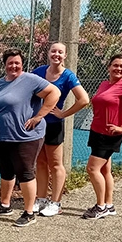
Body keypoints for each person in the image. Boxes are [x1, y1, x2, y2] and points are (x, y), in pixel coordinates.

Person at [0, 49, 60, 227]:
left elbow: (54, 93)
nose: (14, 66)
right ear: (4, 64)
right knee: (6, 171)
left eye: (17, 63)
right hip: (3, 136)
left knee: (25, 172)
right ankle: (5, 204)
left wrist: (39, 116)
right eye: (10, 63)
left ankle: (29, 212)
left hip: (25, 136)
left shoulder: (30, 80)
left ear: (22, 63)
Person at [82, 53, 122, 219]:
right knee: (104, 170)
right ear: (109, 67)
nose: (118, 69)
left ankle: (100, 207)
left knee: (92, 169)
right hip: (97, 131)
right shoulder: (104, 84)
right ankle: (109, 205)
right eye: (115, 65)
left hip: (109, 134)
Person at [31, 42, 90, 217]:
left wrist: (63, 114)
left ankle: (55, 202)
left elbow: (84, 99)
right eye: (53, 51)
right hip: (38, 124)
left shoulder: (68, 76)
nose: (56, 54)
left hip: (54, 125)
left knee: (56, 164)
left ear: (65, 56)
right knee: (40, 163)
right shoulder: (38, 72)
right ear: (48, 53)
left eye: (60, 52)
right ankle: (41, 199)